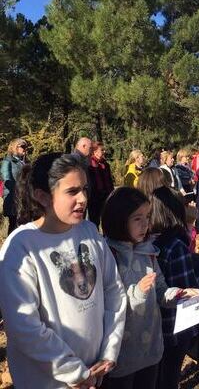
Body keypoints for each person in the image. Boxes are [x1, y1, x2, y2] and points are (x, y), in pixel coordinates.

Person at [0, 153, 127, 388]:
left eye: (85, 189)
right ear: (43, 196)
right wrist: (75, 373)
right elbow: (24, 327)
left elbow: (113, 290)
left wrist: (110, 351)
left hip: (95, 373)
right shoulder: (21, 247)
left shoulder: (89, 232)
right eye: (72, 192)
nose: (83, 199)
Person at [100, 187, 198, 389]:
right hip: (121, 354)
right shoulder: (108, 255)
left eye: (147, 216)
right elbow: (107, 305)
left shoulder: (148, 252)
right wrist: (138, 292)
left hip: (151, 349)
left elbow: (160, 288)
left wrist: (177, 294)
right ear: (119, 219)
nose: (146, 224)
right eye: (137, 219)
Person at [149, 186, 199, 389]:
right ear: (175, 212)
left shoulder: (147, 240)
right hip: (174, 329)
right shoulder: (175, 247)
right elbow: (188, 290)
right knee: (169, 377)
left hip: (152, 328)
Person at [1, 138, 27, 233]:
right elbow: (7, 180)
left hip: (24, 198)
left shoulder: (23, 162)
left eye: (26, 147)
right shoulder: (7, 162)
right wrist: (19, 189)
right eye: (22, 146)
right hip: (13, 199)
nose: (25, 149)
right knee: (14, 226)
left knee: (23, 226)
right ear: (15, 147)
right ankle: (11, 246)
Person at [87, 141, 114, 228]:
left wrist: (112, 193)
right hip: (94, 198)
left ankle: (107, 238)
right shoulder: (89, 164)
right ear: (95, 152)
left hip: (106, 196)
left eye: (104, 150)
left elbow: (110, 181)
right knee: (94, 221)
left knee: (107, 219)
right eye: (102, 150)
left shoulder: (105, 164)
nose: (104, 152)